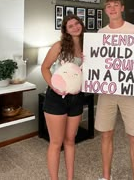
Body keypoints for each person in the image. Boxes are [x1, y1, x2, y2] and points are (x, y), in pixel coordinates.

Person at [95, 0, 134, 180]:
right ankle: (106, 177)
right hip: (107, 91)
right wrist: (89, 61)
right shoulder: (101, 33)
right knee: (106, 134)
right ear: (106, 10)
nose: (112, 8)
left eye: (116, 5)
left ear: (122, 8)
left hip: (129, 91)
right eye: (109, 6)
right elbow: (98, 61)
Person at [41, 14, 85, 180]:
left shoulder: (90, 47)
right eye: (70, 25)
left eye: (77, 23)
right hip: (55, 98)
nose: (75, 27)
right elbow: (45, 68)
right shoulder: (59, 46)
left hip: (76, 98)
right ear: (66, 30)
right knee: (56, 142)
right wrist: (55, 87)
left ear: (81, 24)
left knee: (70, 141)